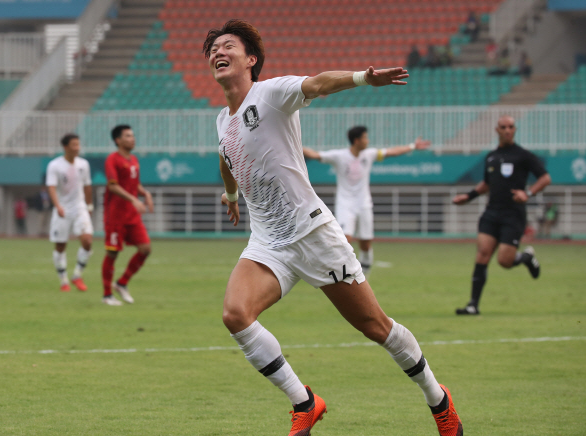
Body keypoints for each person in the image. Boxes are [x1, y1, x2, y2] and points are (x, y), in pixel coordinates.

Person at [204, 19, 462, 436]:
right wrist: (231, 196)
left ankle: (439, 400)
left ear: (250, 59)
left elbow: (319, 84)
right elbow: (225, 158)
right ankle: (304, 402)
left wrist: (362, 78)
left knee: (377, 328)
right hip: (269, 242)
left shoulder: (270, 93)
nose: (218, 51)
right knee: (236, 315)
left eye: (228, 45)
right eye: (213, 48)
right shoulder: (222, 120)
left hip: (313, 235)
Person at [452, 115, 551, 315]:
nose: (507, 130)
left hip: (513, 214)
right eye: (503, 127)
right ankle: (473, 305)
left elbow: (545, 178)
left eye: (511, 127)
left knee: (505, 261)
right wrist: (469, 196)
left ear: (515, 130)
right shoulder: (491, 156)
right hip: (491, 212)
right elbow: (487, 184)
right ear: (497, 130)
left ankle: (526, 257)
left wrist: (528, 193)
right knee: (482, 254)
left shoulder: (523, 155)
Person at [303, 127, 430, 274]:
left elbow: (392, 152)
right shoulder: (339, 156)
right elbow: (315, 155)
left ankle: (365, 275)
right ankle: (344, 273)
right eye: (365, 137)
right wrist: (294, 144)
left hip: (364, 204)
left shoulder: (369, 154)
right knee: (345, 240)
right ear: (357, 140)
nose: (367, 140)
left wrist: (412, 146)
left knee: (365, 243)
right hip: (345, 204)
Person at [101, 124, 154, 306]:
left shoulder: (134, 160)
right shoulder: (112, 160)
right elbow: (112, 185)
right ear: (118, 140)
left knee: (145, 249)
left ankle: (122, 283)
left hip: (132, 215)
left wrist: (144, 193)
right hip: (115, 215)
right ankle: (107, 295)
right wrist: (133, 199)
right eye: (128, 136)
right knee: (112, 253)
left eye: (133, 135)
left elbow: (134, 183)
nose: (133, 138)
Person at [45, 133, 94, 292]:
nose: (77, 148)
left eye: (78, 144)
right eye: (74, 145)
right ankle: (63, 281)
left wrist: (89, 205)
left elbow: (87, 185)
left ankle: (77, 275)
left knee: (87, 241)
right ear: (66, 147)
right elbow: (51, 187)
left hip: (79, 207)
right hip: (63, 209)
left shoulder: (84, 164)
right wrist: (58, 205)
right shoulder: (55, 165)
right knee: (60, 246)